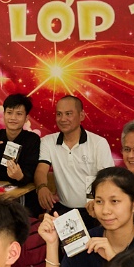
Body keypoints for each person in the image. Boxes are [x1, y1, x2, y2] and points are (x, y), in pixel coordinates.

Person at [35, 95, 114, 225]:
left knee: (95, 238)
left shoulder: (98, 143)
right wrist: (42, 187)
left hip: (93, 210)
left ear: (81, 115)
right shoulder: (48, 141)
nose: (63, 119)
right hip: (63, 209)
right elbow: (41, 170)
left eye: (68, 114)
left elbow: (108, 179)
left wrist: (99, 203)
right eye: (59, 114)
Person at [0, 92, 42, 212]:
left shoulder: (32, 140)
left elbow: (31, 174)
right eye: (9, 113)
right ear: (4, 114)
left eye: (19, 114)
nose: (13, 118)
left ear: (26, 118)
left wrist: (20, 176)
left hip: (24, 198)